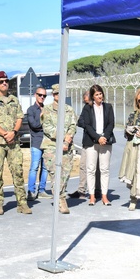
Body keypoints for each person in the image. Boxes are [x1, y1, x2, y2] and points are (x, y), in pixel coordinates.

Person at [0, 70, 29, 214]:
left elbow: (19, 118)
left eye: (6, 81)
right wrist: (4, 133)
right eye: (1, 82)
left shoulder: (14, 100)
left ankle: (22, 203)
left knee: (18, 171)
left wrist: (14, 133)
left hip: (13, 142)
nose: (5, 84)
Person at [41, 84, 78, 214]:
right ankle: (61, 199)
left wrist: (68, 139)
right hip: (52, 147)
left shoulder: (69, 109)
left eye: (61, 93)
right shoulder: (47, 109)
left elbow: (73, 125)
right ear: (53, 95)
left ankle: (60, 195)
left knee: (66, 173)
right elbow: (47, 128)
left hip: (67, 146)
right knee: (55, 174)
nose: (59, 96)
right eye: (56, 94)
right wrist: (63, 138)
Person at [77, 84, 115, 206]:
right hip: (91, 143)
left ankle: (104, 196)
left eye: (100, 94)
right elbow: (87, 125)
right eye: (97, 94)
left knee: (104, 169)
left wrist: (104, 137)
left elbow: (111, 123)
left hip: (106, 141)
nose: (99, 96)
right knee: (91, 169)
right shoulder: (87, 108)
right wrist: (98, 138)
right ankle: (92, 196)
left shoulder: (108, 107)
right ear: (93, 97)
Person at [25, 86, 51, 201]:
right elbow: (34, 125)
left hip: (46, 143)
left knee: (45, 168)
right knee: (34, 167)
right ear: (35, 95)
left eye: (44, 96)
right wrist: (41, 118)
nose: (42, 97)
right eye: (40, 95)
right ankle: (31, 191)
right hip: (36, 142)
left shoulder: (47, 109)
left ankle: (42, 190)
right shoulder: (31, 110)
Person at [69, 90, 93, 199]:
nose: (85, 102)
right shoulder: (86, 108)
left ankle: (97, 190)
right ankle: (81, 190)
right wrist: (89, 125)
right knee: (83, 165)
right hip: (87, 141)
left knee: (96, 168)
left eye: (86, 100)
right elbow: (80, 121)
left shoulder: (100, 108)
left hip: (97, 142)